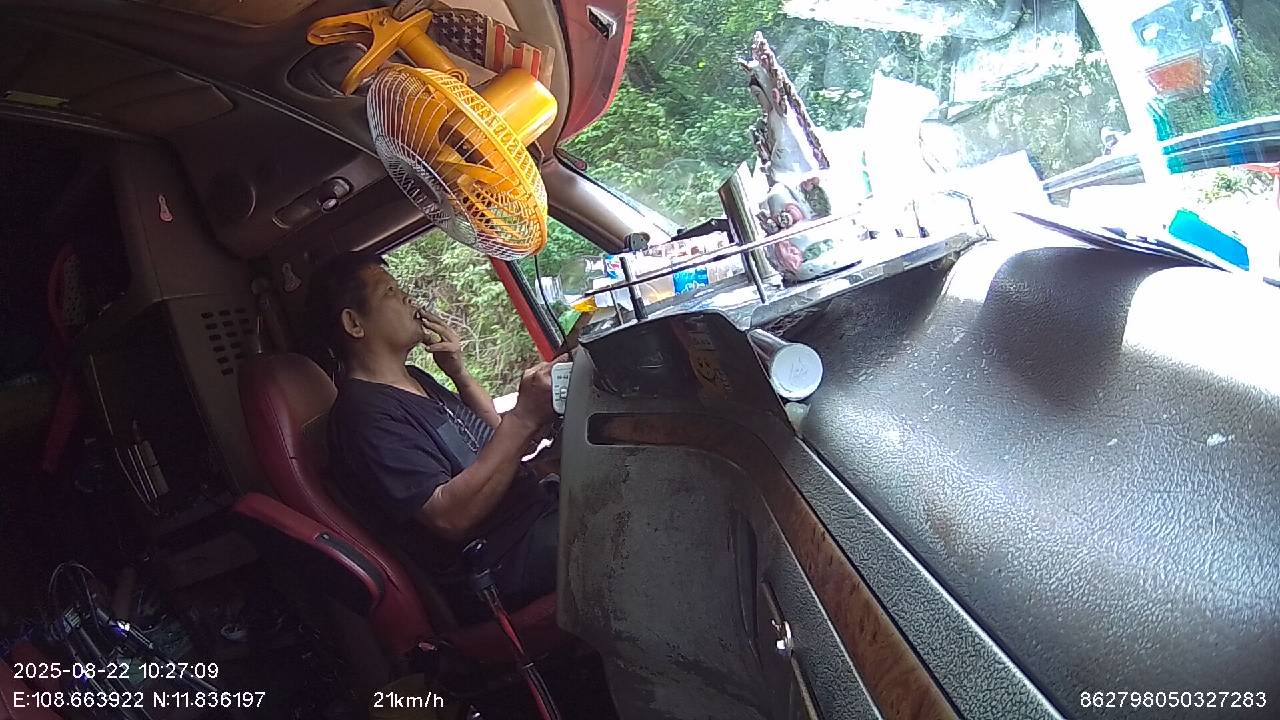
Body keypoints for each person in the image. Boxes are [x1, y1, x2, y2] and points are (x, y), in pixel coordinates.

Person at [307, 252, 563, 623]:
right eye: (390, 292)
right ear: (354, 323)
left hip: (531, 518)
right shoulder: (363, 415)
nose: (409, 298)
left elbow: (495, 441)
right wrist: (523, 418)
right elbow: (449, 516)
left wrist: (459, 374)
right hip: (502, 564)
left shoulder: (416, 379)